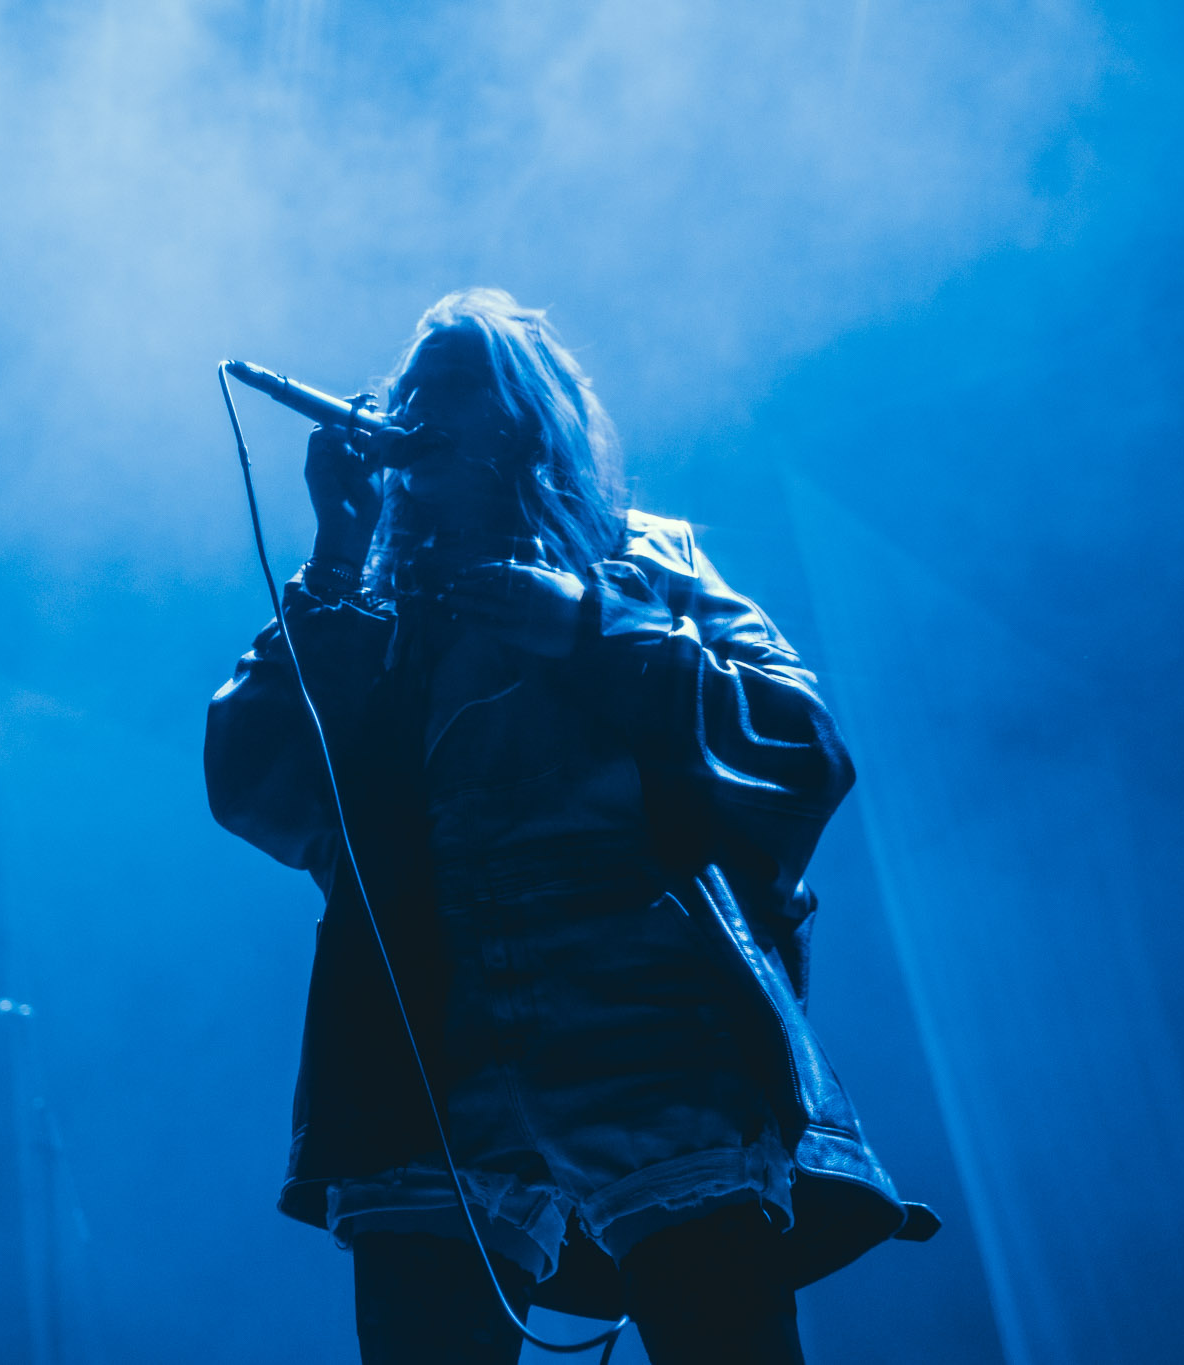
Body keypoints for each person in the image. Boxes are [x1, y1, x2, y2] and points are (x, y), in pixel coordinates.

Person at [204, 289, 923, 1365]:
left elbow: (800, 745)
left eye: (454, 383)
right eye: (407, 390)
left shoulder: (647, 560)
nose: (416, 408)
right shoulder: (370, 603)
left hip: (648, 1021)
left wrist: (591, 628)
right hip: (430, 1038)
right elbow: (250, 780)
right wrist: (336, 551)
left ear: (524, 416)